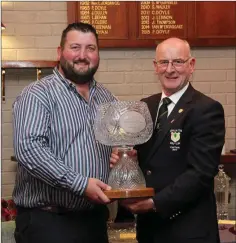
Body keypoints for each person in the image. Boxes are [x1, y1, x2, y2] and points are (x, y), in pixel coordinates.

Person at [110, 37, 225, 243]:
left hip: (188, 232)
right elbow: (146, 160)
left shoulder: (206, 109)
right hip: (150, 231)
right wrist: (127, 161)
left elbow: (200, 174)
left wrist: (154, 203)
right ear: (155, 67)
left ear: (191, 65)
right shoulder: (146, 106)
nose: (170, 69)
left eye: (178, 62)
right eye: (164, 62)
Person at [12, 22, 117, 243]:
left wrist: (117, 156)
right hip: (48, 223)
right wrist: (80, 184)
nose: (83, 55)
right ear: (60, 52)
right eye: (75, 47)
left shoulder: (107, 98)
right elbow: (29, 149)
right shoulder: (37, 94)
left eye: (90, 48)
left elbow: (112, 146)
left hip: (94, 220)